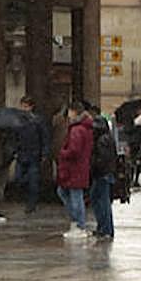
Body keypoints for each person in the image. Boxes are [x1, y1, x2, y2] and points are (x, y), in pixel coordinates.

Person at [56, 101, 94, 240]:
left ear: (74, 112)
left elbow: (74, 150)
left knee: (74, 195)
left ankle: (79, 224)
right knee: (69, 193)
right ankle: (77, 223)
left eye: (69, 112)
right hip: (80, 167)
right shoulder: (86, 127)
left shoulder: (77, 129)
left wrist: (62, 153)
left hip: (74, 167)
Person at [14, 95, 49, 214]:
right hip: (21, 154)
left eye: (26, 106)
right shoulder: (18, 121)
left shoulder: (38, 121)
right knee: (18, 178)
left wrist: (44, 152)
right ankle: (27, 196)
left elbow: (44, 137)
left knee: (33, 182)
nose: (24, 109)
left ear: (31, 107)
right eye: (22, 106)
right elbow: (15, 138)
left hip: (34, 154)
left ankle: (31, 204)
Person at [88, 110, 118, 240]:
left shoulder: (101, 140)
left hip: (102, 174)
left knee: (101, 201)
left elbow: (102, 158)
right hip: (105, 173)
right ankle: (104, 228)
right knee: (99, 200)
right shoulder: (107, 137)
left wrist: (93, 166)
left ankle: (106, 229)